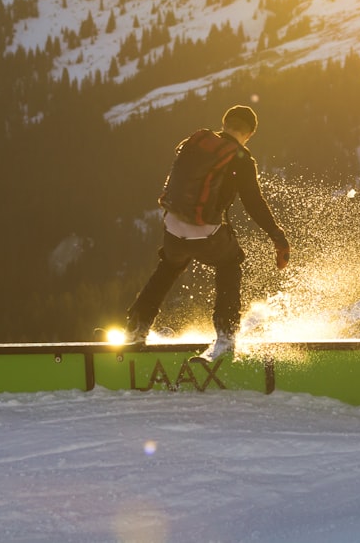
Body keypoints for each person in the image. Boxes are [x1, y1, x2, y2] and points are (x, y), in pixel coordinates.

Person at [124, 105, 290, 359]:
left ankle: (136, 327)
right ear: (250, 133)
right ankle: (226, 333)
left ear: (224, 123)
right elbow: (253, 203)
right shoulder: (241, 158)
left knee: (168, 267)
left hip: (172, 228)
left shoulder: (196, 143)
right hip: (206, 233)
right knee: (230, 262)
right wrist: (277, 237)